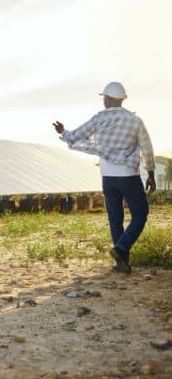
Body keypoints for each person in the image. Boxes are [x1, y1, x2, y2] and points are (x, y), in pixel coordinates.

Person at [52, 82, 156, 274]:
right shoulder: (135, 121)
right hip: (129, 176)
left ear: (107, 99)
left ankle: (121, 261)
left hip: (108, 177)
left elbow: (76, 135)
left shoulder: (99, 119)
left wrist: (63, 132)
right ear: (122, 100)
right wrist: (150, 173)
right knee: (140, 214)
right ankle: (122, 249)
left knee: (115, 219)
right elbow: (147, 148)